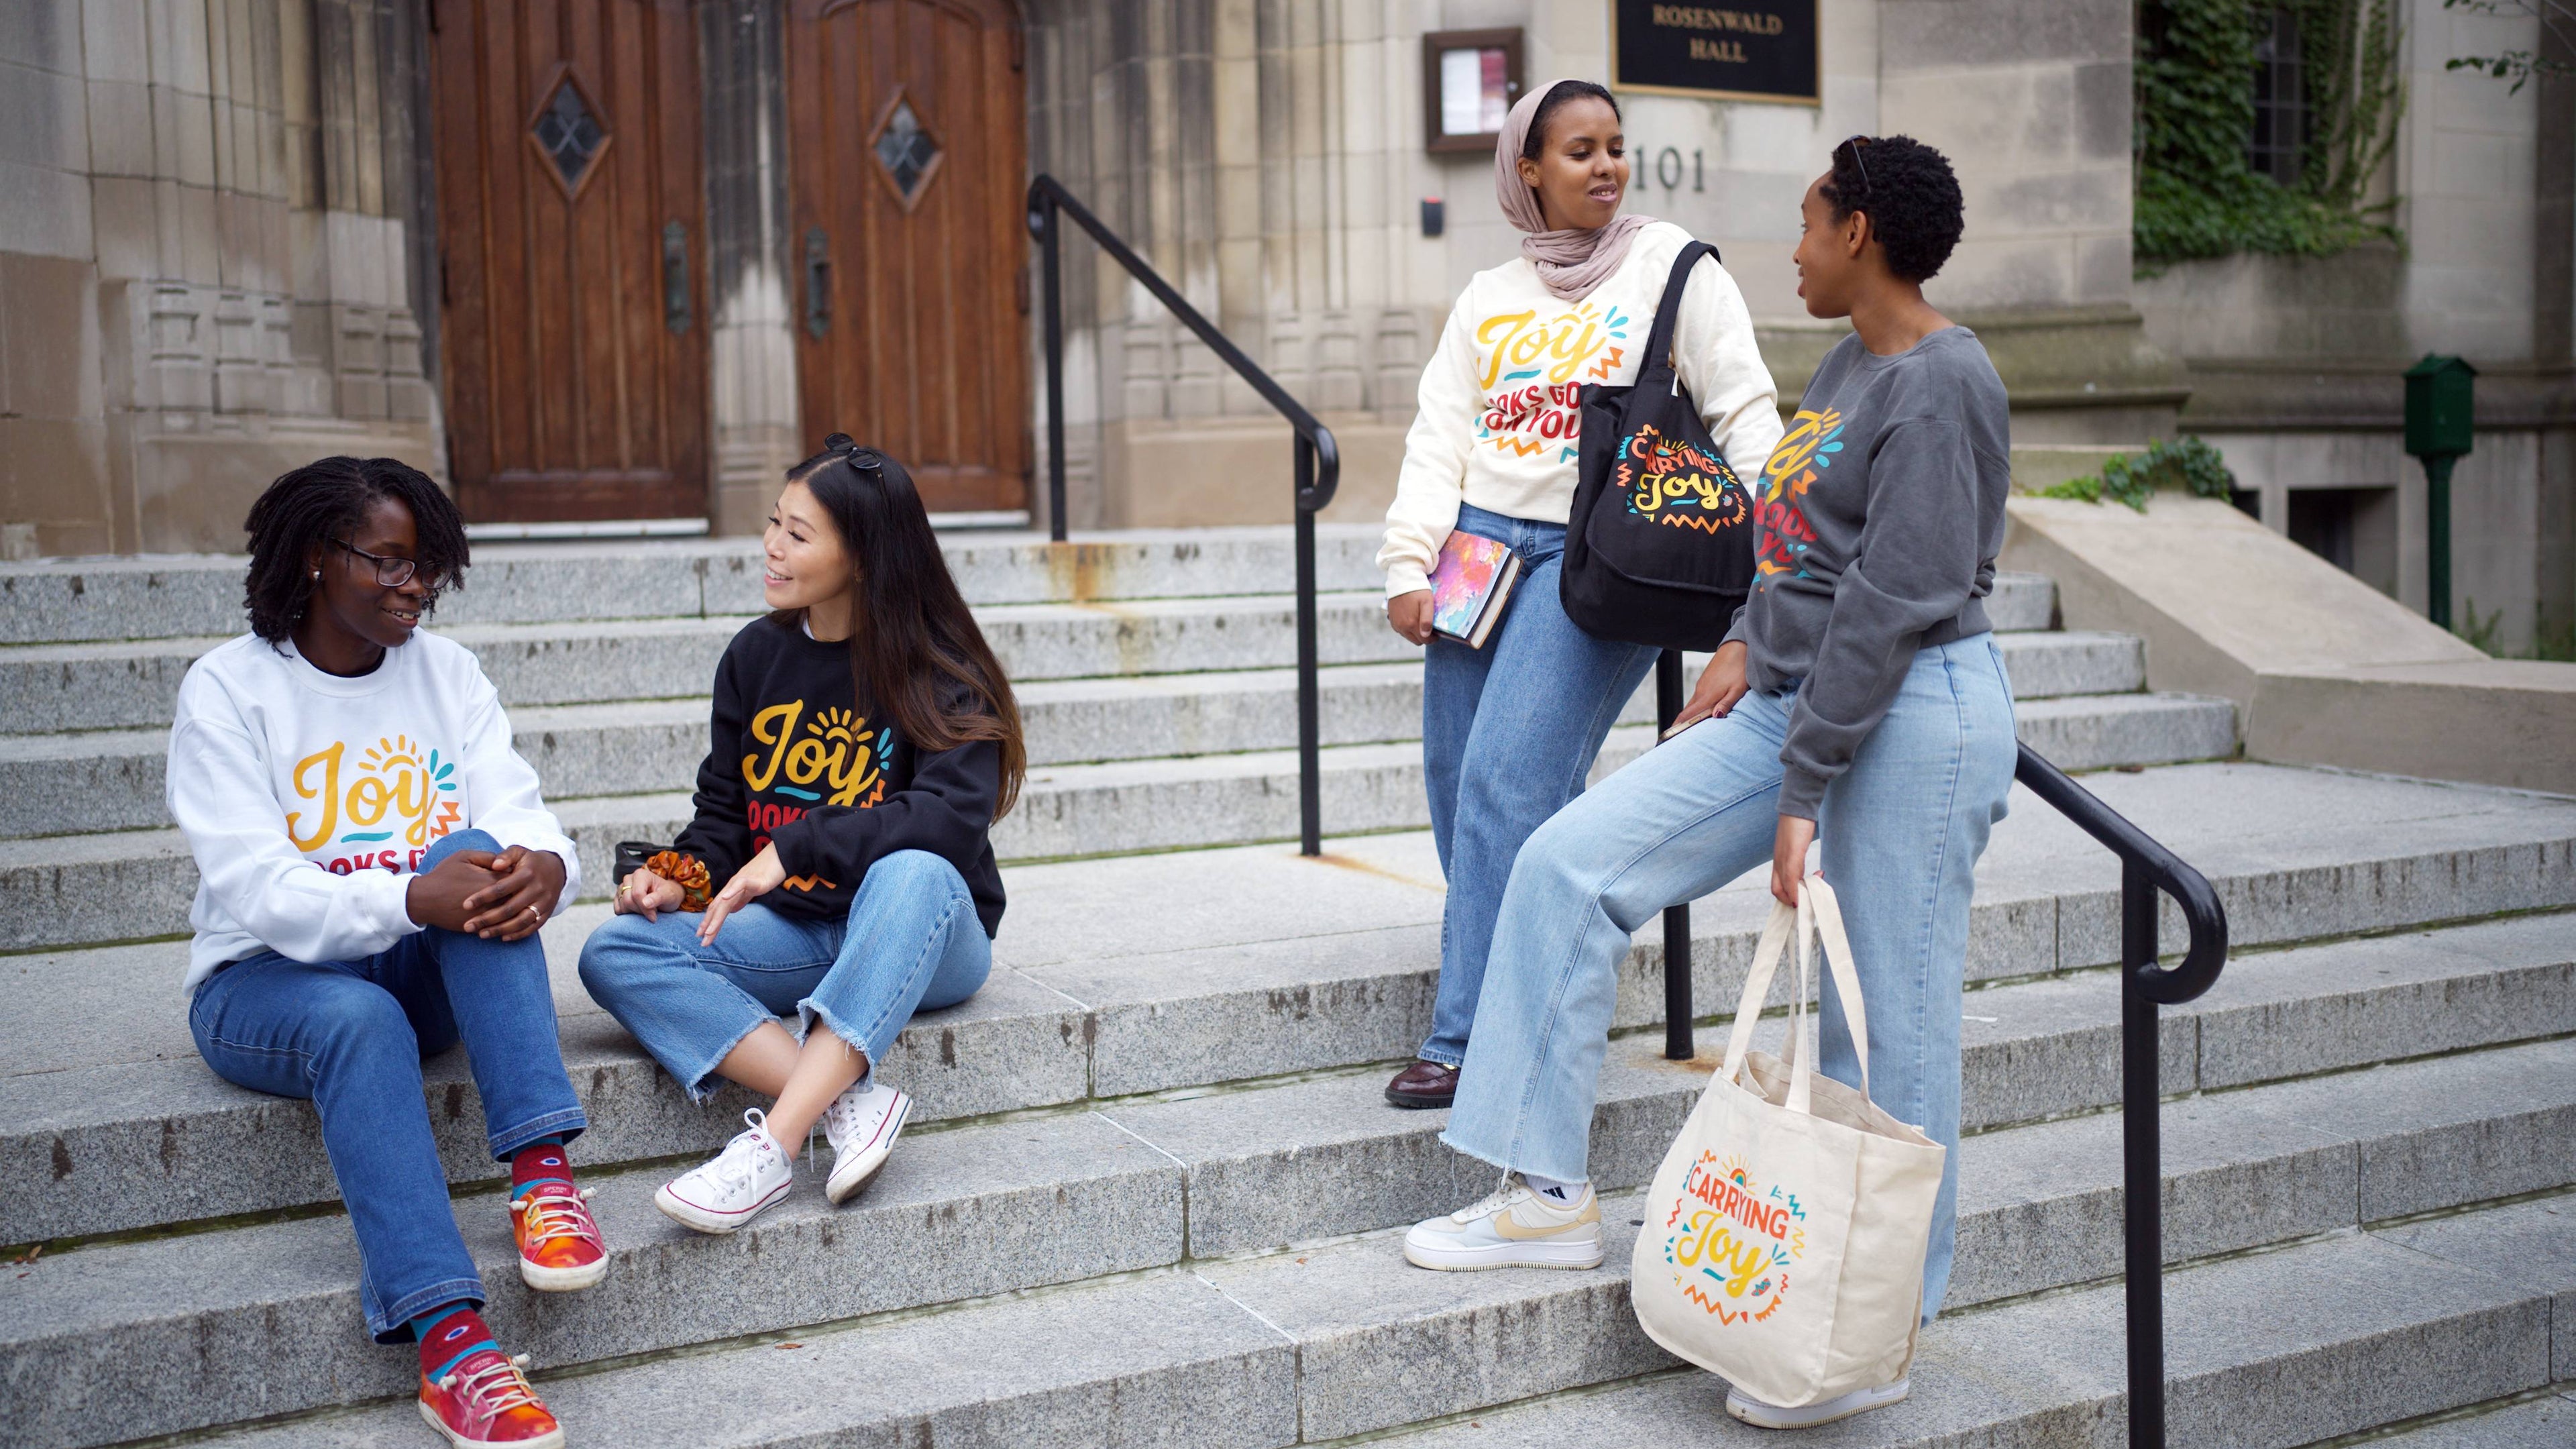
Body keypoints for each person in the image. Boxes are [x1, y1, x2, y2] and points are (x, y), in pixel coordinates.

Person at [1401, 136, 2017, 1433]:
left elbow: (1900, 597)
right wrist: (1744, 635)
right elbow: (1796, 534)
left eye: (1807, 222)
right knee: (1568, 864)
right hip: (1794, 694)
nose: (1791, 246)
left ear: (1860, 233)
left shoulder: (1946, 383)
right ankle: (1543, 1196)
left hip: (1910, 714)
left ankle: (1874, 1333)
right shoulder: (1851, 365)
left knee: (1885, 1030)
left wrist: (1803, 786)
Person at [171, 456, 600, 1448]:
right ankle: (453, 1347)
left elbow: (520, 812)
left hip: (418, 961)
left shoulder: (445, 673)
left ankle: (541, 1177)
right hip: (264, 985)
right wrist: (409, 895)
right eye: (392, 564)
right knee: (360, 1016)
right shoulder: (231, 691)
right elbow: (263, 893)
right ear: (319, 558)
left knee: (479, 857)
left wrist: (545, 868)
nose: (416, 588)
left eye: (429, 569)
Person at [1376, 78, 1782, 1110]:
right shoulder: (1488, 296)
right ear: (1528, 171)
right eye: (1578, 151)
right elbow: (1441, 438)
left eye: (1615, 147)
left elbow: (1748, 419)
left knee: (1510, 782)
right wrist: (1407, 561)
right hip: (1478, 550)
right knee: (1458, 778)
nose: (1605, 167)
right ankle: (1539, 979)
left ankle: (1469, 1038)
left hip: (1595, 556)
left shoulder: (1672, 267)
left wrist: (1777, 576)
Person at [578, 436, 1020, 1236]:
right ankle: (847, 1097)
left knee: (913, 867)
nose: (772, 548)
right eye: (774, 523)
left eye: (798, 534)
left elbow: (949, 820)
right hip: (801, 930)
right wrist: (680, 876)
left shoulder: (940, 667)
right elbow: (724, 817)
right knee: (614, 950)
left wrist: (796, 848)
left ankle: (773, 1151)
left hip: (924, 933)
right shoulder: (756, 656)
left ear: (865, 555)